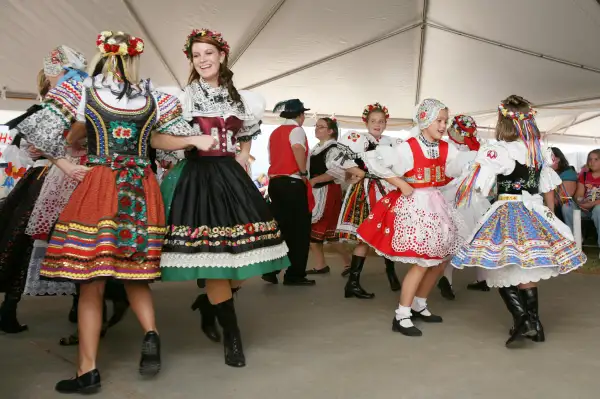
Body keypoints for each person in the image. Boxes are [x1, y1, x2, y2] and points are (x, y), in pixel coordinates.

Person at [16, 31, 212, 393]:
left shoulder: (83, 92)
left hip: (101, 183)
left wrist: (63, 164)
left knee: (91, 281)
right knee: (135, 273)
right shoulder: (153, 97)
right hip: (141, 186)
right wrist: (193, 139)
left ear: (100, 56)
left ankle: (86, 371)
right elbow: (162, 141)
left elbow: (35, 131)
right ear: (134, 59)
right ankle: (151, 333)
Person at [155, 28, 289, 368]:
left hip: (230, 176)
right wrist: (189, 143)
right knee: (216, 260)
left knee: (247, 257)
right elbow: (158, 137)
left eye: (208, 54)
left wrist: (244, 154)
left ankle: (208, 303)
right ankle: (232, 335)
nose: (202, 60)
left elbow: (247, 131)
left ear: (221, 56)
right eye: (196, 55)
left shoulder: (240, 98)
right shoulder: (182, 97)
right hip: (196, 178)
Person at [451, 95, 586, 347]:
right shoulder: (539, 151)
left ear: (503, 122)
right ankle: (535, 324)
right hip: (534, 211)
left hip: (508, 210)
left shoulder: (499, 150)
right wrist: (549, 215)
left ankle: (522, 317)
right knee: (527, 267)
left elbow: (481, 186)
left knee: (499, 267)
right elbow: (548, 189)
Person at [355, 99, 467, 336]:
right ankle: (402, 314)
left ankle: (419, 304)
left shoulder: (447, 148)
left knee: (439, 259)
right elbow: (376, 162)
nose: (443, 125)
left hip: (436, 203)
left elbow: (459, 167)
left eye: (445, 121)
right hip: (416, 205)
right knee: (422, 261)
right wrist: (400, 184)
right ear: (425, 120)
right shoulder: (409, 146)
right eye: (439, 120)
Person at [334, 103, 401, 299]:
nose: (377, 124)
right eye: (373, 121)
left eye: (381, 121)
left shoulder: (392, 142)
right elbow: (337, 160)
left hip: (387, 190)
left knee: (387, 233)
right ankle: (353, 283)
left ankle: (390, 273)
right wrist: (356, 172)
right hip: (365, 190)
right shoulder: (357, 140)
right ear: (366, 122)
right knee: (364, 235)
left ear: (386, 123)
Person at [261, 99, 315, 286]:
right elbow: (298, 148)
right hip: (292, 181)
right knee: (299, 230)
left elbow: (272, 157)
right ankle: (294, 274)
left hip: (276, 183)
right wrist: (303, 172)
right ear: (300, 115)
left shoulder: (275, 133)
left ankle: (271, 269)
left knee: (282, 227)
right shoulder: (297, 130)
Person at [437, 114, 491, 299]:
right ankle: (482, 279)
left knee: (456, 239)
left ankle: (447, 279)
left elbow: (444, 174)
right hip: (475, 198)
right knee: (478, 236)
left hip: (453, 198)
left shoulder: (446, 148)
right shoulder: (480, 149)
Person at [306, 117, 351, 274]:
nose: (317, 129)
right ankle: (323, 265)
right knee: (324, 233)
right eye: (316, 126)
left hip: (327, 192)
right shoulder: (317, 148)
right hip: (318, 192)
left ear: (331, 131)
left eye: (321, 127)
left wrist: (315, 180)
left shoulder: (334, 149)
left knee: (322, 231)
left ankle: (347, 264)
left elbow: (338, 171)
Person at [562, 149, 600, 247]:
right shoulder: (584, 175)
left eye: (596, 159)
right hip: (585, 207)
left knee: (598, 209)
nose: (592, 162)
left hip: (597, 208)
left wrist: (593, 203)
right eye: (590, 159)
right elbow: (578, 194)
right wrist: (581, 201)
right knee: (567, 206)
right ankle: (575, 238)